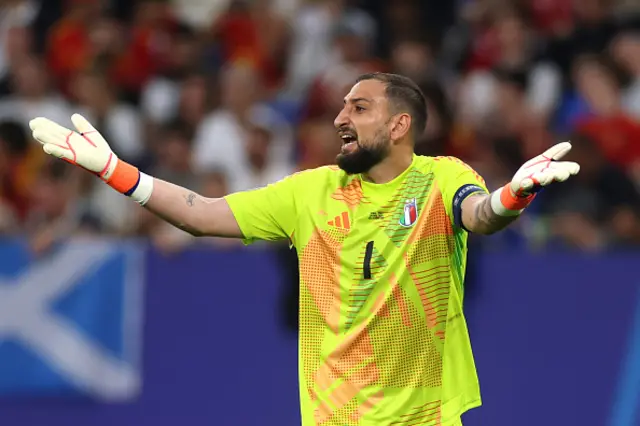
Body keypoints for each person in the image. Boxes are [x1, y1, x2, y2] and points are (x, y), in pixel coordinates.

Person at [28, 72, 579, 426]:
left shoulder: (440, 177)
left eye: (359, 108)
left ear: (400, 124)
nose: (340, 117)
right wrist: (113, 170)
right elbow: (201, 214)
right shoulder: (308, 193)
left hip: (424, 418)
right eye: (342, 107)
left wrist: (514, 193)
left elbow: (479, 216)